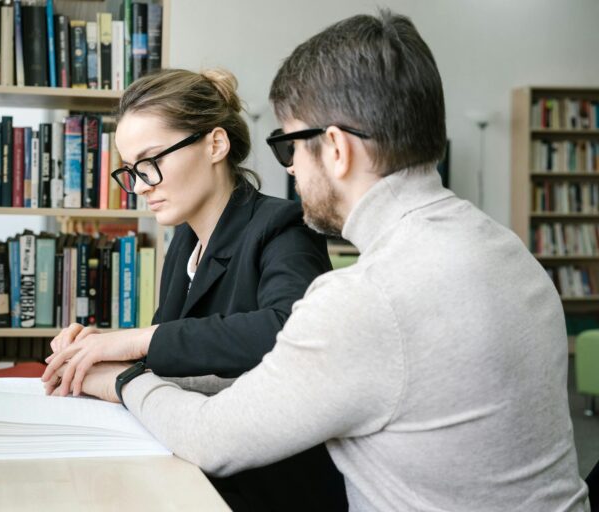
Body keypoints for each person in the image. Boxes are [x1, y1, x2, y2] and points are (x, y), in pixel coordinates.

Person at [45, 10, 591, 511]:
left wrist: (122, 379)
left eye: (289, 148)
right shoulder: (508, 250)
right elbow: (294, 385)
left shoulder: (368, 297)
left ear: (335, 148)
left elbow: (214, 439)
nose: (292, 172)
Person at [43, 68, 347, 510]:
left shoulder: (283, 227)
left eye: (152, 162)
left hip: (269, 487)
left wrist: (137, 341)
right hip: (190, 469)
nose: (141, 186)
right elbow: (182, 357)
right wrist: (107, 348)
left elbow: (286, 331)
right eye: (131, 170)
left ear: (215, 145)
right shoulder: (185, 238)